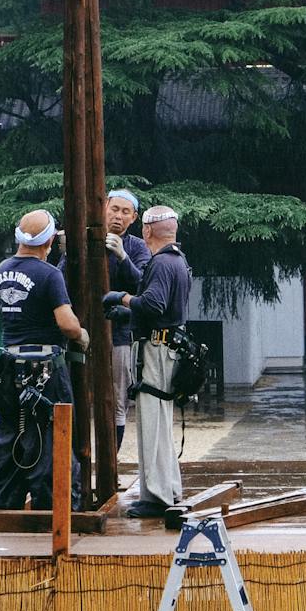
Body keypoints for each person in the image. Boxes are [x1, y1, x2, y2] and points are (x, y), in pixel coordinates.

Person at [0, 209, 88, 509]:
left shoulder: (4, 268)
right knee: (50, 440)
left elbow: (31, 284)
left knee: (10, 435)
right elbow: (66, 324)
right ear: (52, 240)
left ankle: (0, 507)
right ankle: (55, 510)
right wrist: (81, 334)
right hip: (44, 371)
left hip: (8, 370)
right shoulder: (50, 275)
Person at [103, 204, 191, 518]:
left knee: (153, 422)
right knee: (160, 423)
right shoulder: (178, 261)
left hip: (157, 350)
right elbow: (164, 309)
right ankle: (167, 489)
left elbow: (153, 305)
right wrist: (130, 312)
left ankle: (156, 497)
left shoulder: (160, 263)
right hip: (168, 347)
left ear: (147, 231)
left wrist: (121, 298)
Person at [102, 189, 151, 450]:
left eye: (125, 212)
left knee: (117, 400)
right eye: (114, 209)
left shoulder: (136, 246)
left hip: (120, 334)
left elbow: (144, 284)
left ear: (133, 218)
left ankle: (112, 462)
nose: (118, 216)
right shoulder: (88, 239)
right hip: (84, 330)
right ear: (105, 207)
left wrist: (123, 256)